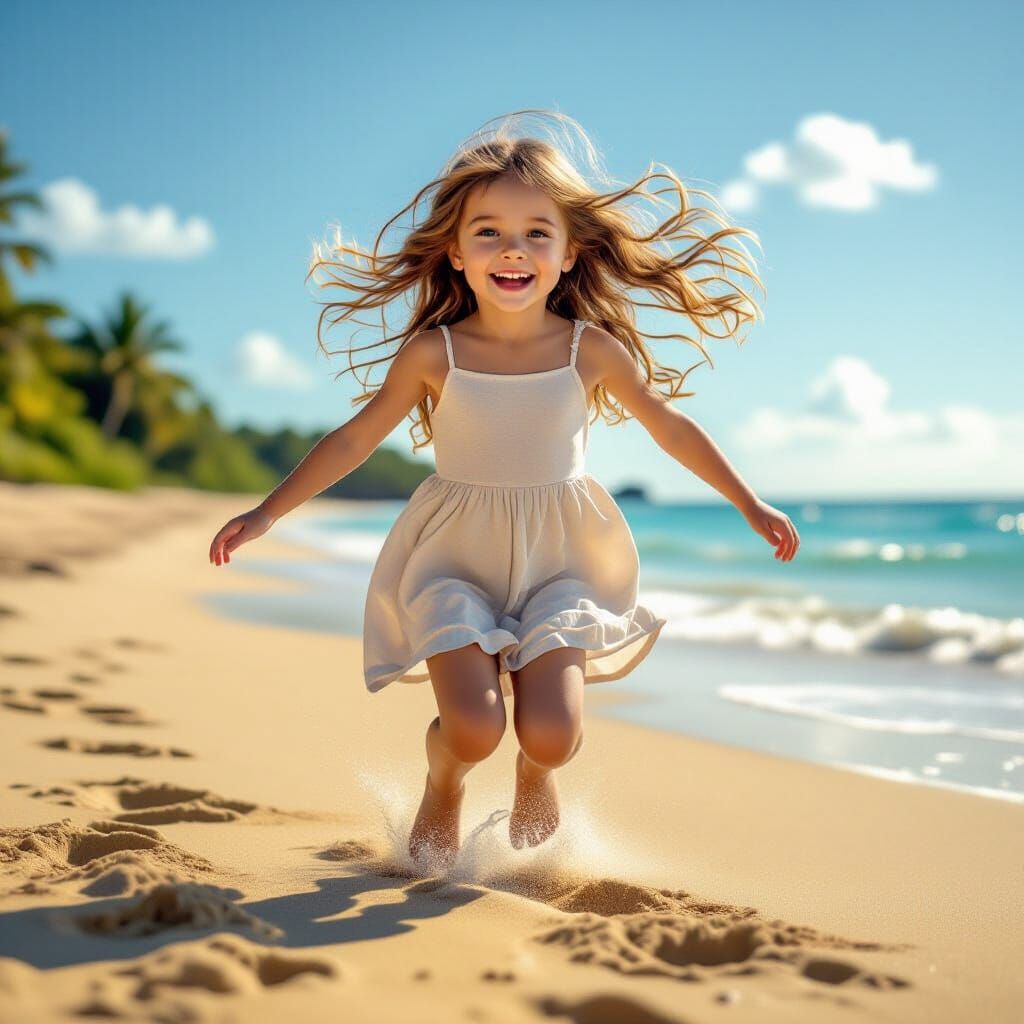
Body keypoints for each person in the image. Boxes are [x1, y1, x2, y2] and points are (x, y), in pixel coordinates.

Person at [208, 110, 800, 873]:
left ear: (569, 252)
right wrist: (265, 513)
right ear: (454, 252)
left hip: (563, 563)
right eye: (487, 232)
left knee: (549, 732)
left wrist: (748, 503)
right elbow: (355, 438)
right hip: (454, 562)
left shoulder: (592, 350)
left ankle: (534, 773)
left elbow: (672, 429)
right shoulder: (435, 351)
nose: (512, 249)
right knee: (474, 728)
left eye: (535, 233)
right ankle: (445, 780)